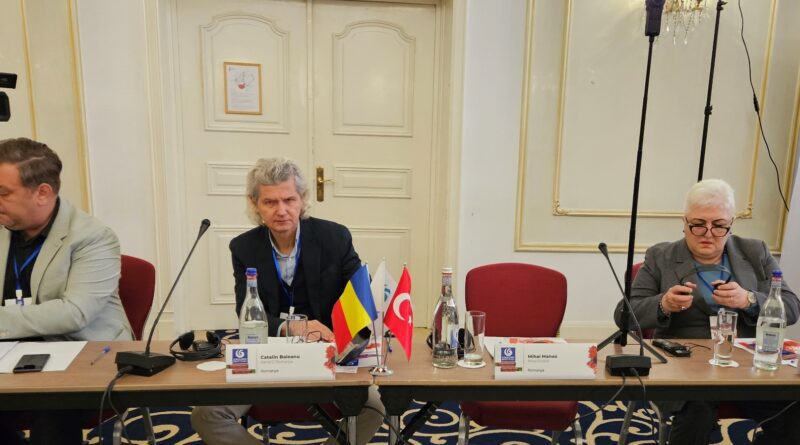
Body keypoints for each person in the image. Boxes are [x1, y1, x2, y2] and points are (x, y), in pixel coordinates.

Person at [191, 158, 385, 445]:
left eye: (289, 200)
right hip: (268, 355)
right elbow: (246, 314)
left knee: (375, 407)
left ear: (302, 199)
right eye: (270, 202)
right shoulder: (244, 247)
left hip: (326, 355)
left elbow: (361, 296)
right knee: (207, 414)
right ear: (254, 203)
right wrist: (293, 328)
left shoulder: (335, 237)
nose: (281, 211)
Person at [618, 178, 800, 445]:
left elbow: (791, 308)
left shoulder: (755, 252)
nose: (708, 233)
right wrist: (663, 304)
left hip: (748, 367)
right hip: (686, 369)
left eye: (719, 225)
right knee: (697, 412)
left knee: (794, 408)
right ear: (684, 222)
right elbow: (624, 313)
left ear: (731, 224)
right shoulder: (661, 256)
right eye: (698, 224)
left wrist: (749, 300)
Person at [0, 137, 132, 445]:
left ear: (42, 193)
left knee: (53, 410)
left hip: (81, 354)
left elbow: (74, 313)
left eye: (3, 193)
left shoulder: (93, 237)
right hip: (9, 352)